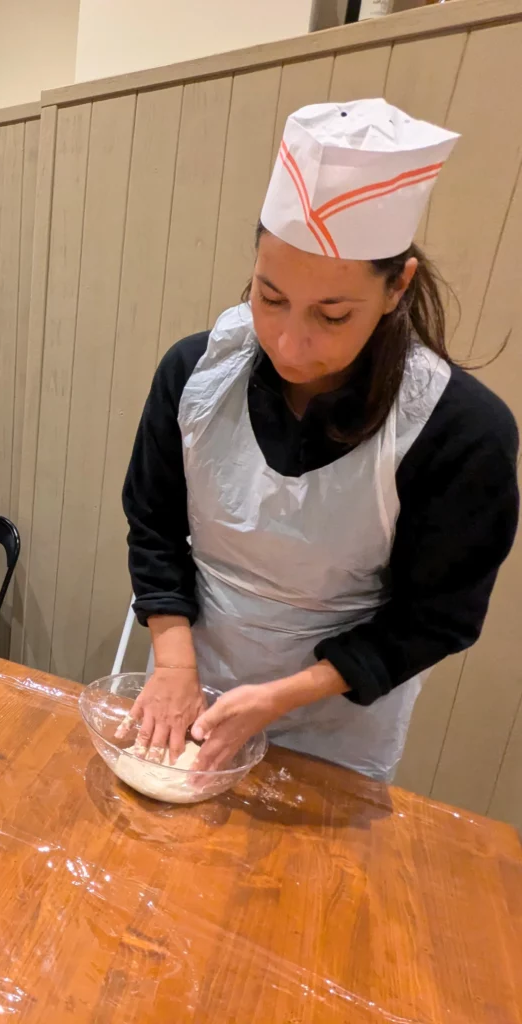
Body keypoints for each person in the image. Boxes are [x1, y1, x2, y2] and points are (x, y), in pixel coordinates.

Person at [122, 99, 519, 782]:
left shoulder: (460, 431)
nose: (287, 342)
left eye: (331, 316)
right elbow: (153, 527)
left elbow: (437, 616)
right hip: (189, 682)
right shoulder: (194, 374)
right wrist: (177, 666)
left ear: (398, 287)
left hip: (339, 725)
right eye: (269, 297)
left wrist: (279, 698)